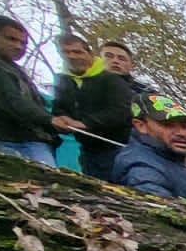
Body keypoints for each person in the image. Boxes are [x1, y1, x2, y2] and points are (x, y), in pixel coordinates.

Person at [0, 15, 68, 167]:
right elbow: (10, 100)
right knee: (41, 183)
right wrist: (50, 120)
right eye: (11, 39)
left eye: (23, 43)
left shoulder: (12, 67)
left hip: (30, 139)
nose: (19, 46)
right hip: (10, 140)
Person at [49, 34, 135, 181]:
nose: (72, 56)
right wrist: (62, 118)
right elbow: (59, 106)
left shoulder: (115, 81)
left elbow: (121, 111)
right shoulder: (65, 81)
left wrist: (86, 123)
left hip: (121, 148)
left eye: (77, 52)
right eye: (66, 52)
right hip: (89, 150)